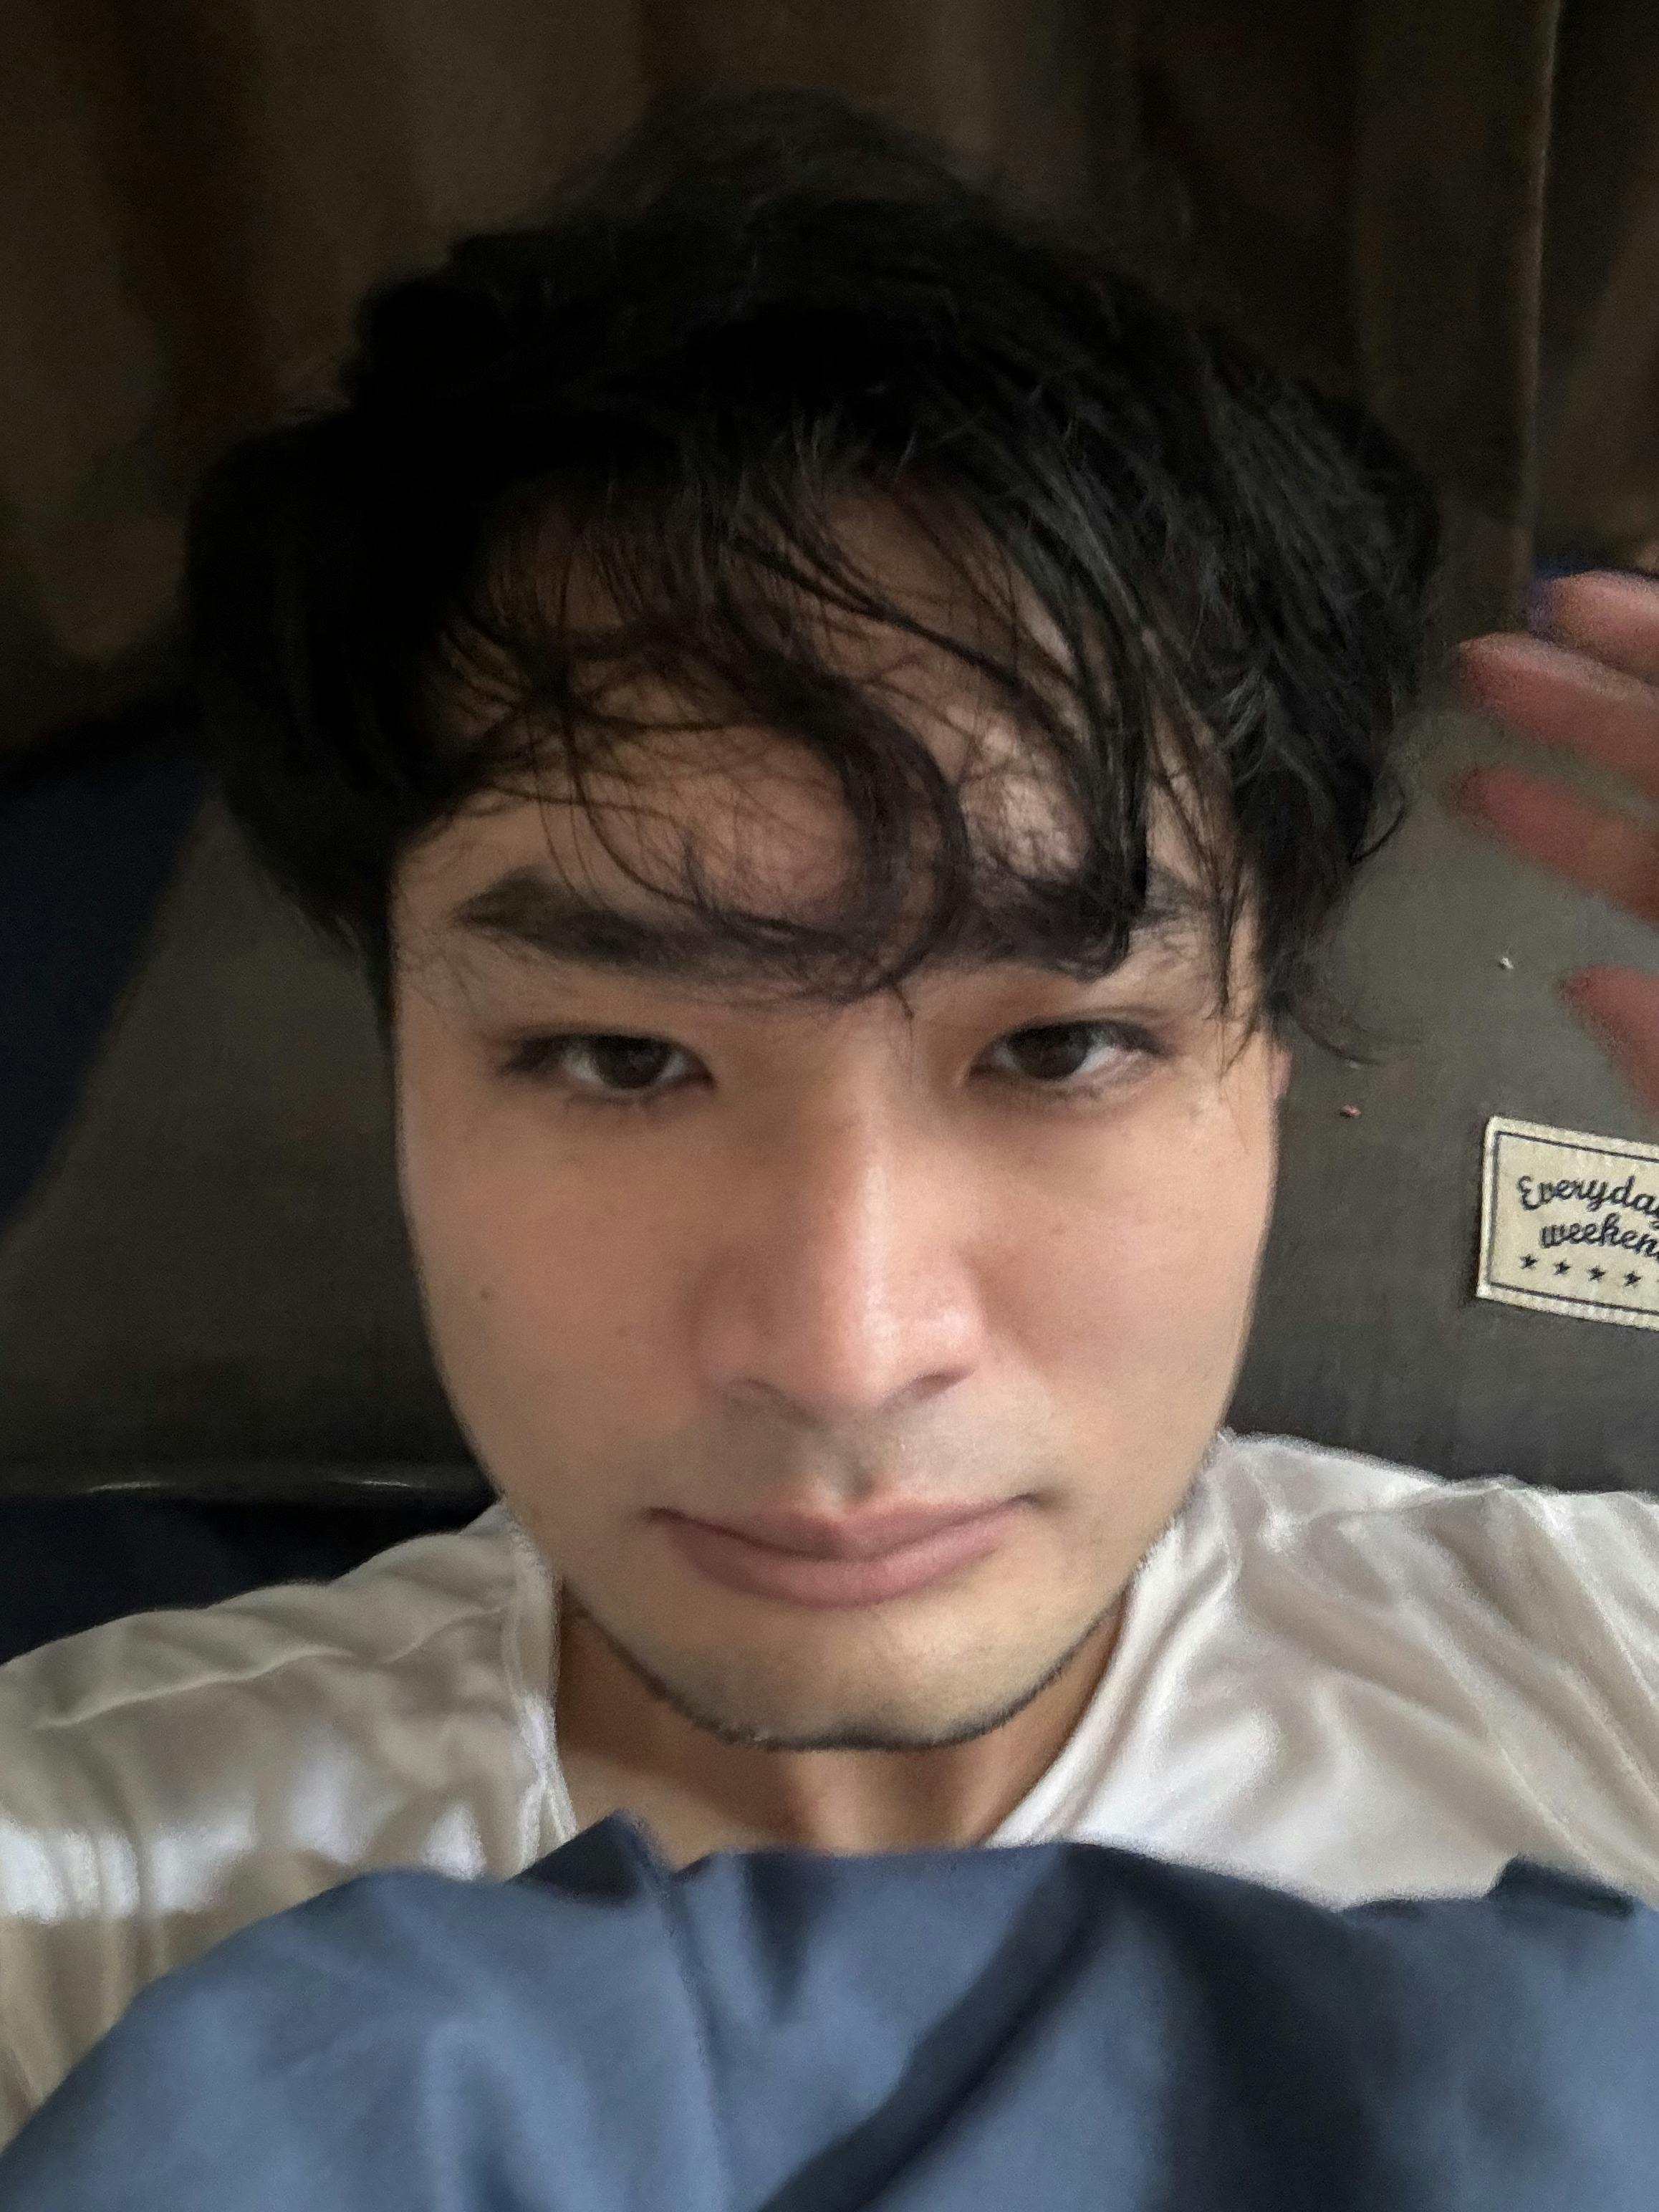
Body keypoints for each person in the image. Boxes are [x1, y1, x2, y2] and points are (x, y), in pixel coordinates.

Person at [2, 85, 1658, 2142]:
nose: (843, 1352)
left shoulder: (1614, 1687)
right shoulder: (70, 1892)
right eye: (621, 1059)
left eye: (1058, 1049)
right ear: (400, 1066)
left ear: (1269, 1066)